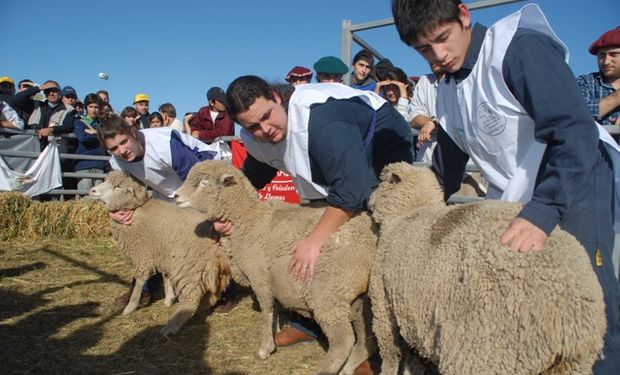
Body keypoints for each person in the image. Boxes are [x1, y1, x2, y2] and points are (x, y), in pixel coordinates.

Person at [391, 0, 620, 372]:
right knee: (529, 300)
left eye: (442, 38)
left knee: (588, 302)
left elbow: (573, 130)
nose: (438, 56)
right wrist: (420, 214)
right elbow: (448, 160)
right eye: (423, 50)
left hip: (574, 180)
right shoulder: (449, 86)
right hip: (519, 196)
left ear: (463, 15)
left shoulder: (517, 49)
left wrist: (543, 211)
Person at [225, 75, 414, 372]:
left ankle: (374, 345)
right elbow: (254, 176)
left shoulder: (322, 121)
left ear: (277, 97)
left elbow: (353, 188)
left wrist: (315, 241)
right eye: (253, 127)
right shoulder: (258, 138)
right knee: (313, 223)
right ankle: (310, 321)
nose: (264, 130)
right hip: (334, 167)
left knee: (371, 242)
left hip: (381, 147)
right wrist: (228, 210)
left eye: (266, 117)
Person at [95, 114, 237, 309]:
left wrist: (212, 216)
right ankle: (146, 288)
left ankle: (224, 290)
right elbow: (122, 191)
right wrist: (114, 212)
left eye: (123, 142)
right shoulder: (117, 162)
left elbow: (197, 178)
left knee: (210, 236)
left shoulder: (164, 144)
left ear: (132, 133)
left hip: (205, 178)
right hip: (168, 189)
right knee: (153, 235)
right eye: (113, 148)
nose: (121, 151)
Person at [577, 27, 620, 126]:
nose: (606, 62)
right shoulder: (586, 82)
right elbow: (576, 114)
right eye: (602, 55)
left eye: (613, 55)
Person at [409, 62, 445, 163]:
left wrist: (435, 123)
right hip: (427, 160)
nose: (433, 58)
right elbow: (414, 119)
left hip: (465, 166)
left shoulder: (465, 80)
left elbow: (464, 118)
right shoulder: (424, 80)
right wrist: (432, 123)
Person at [73, 93, 107, 191]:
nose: (93, 109)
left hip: (99, 164)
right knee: (85, 197)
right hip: (83, 164)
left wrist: (94, 132)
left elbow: (108, 135)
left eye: (96, 107)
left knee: (99, 198)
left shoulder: (102, 124)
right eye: (90, 106)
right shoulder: (79, 122)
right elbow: (82, 138)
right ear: (86, 107)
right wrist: (99, 134)